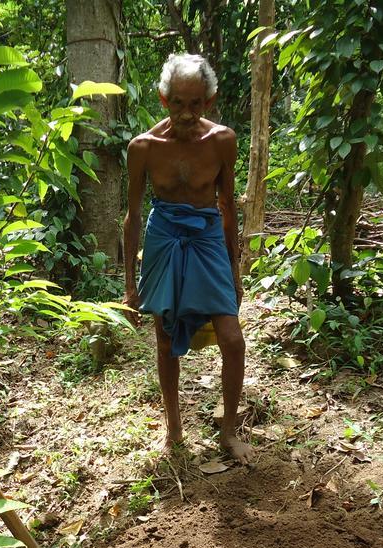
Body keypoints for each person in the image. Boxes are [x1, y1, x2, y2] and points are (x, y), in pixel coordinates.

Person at [123, 53, 255, 464]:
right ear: (164, 98)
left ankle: (229, 431)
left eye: (195, 103)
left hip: (207, 236)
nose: (185, 112)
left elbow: (228, 205)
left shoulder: (222, 140)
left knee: (232, 341)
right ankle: (174, 430)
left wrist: (234, 271)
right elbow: (132, 215)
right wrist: (129, 284)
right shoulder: (143, 147)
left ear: (208, 102)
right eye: (177, 102)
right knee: (166, 341)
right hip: (164, 237)